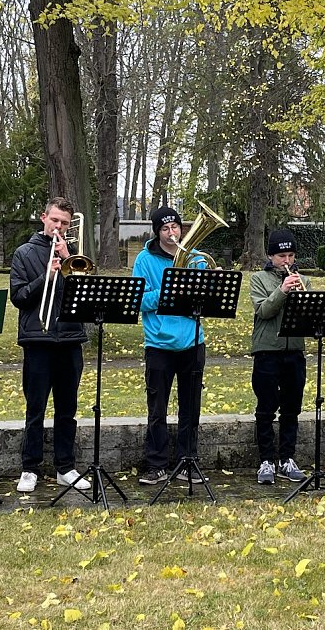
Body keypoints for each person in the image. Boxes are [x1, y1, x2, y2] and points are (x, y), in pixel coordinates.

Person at [9, 197, 90, 493]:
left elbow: (86, 297)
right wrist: (48, 276)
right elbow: (19, 297)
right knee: (36, 409)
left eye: (64, 223)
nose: (59, 226)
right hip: (38, 340)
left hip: (70, 339)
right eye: (54, 220)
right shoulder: (24, 253)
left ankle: (65, 467)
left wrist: (68, 262)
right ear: (44, 217)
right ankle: (29, 468)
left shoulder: (75, 255)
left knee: (67, 409)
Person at [132, 206, 207, 485]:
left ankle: (188, 461)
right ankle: (156, 464)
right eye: (165, 228)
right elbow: (138, 299)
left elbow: (207, 298)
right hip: (159, 344)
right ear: (157, 232)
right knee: (157, 409)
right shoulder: (144, 259)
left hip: (192, 341)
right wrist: (168, 290)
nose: (171, 232)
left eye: (175, 226)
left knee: (191, 408)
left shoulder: (196, 258)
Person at [249, 229, 311, 485]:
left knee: (291, 408)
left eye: (291, 256)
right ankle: (266, 460)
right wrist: (282, 290)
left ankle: (287, 458)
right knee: (266, 408)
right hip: (267, 349)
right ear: (270, 256)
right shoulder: (258, 279)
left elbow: (308, 316)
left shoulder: (303, 280)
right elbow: (263, 311)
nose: (287, 261)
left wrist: (302, 298)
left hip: (294, 349)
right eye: (281, 256)